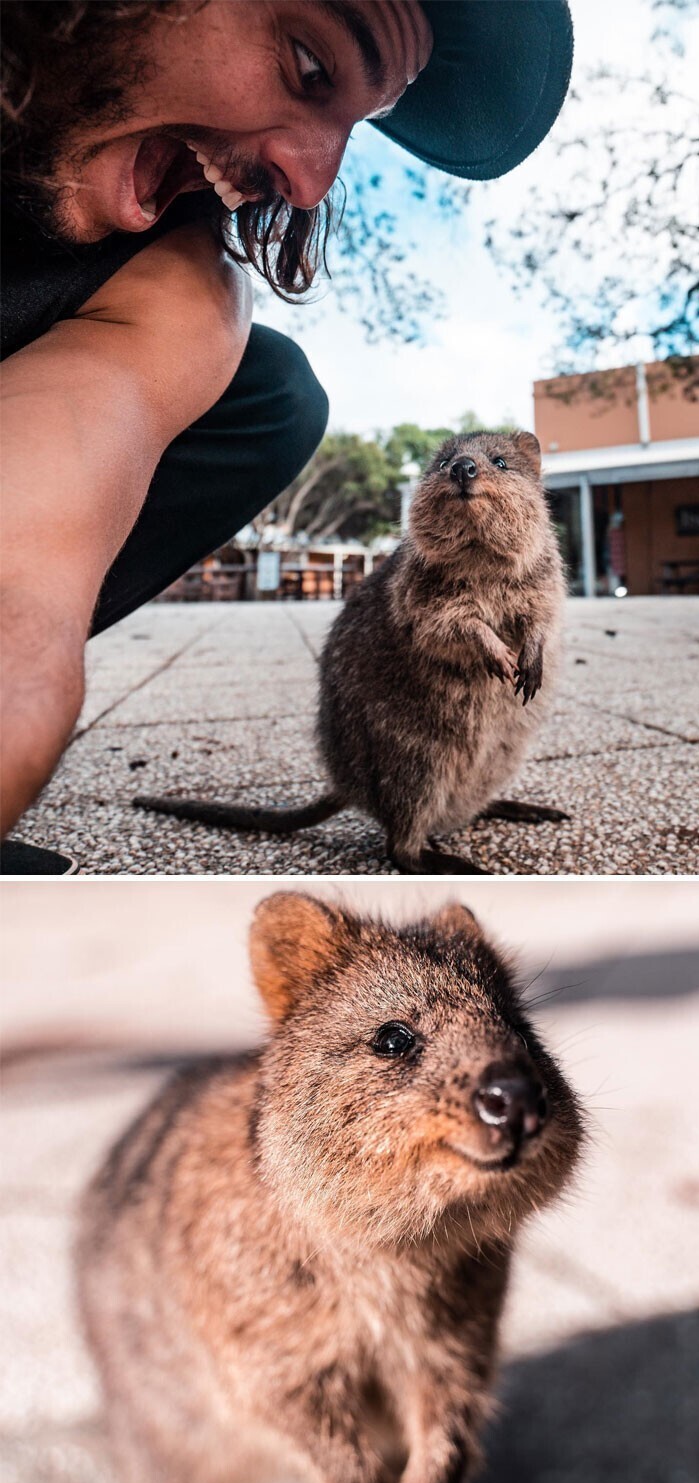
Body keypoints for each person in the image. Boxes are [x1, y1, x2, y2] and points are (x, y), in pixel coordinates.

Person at [0, 0, 573, 868]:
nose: (312, 182)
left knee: (272, 395)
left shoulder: (172, 269)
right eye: (309, 63)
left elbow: (34, 531)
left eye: (356, 127)